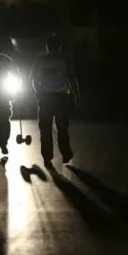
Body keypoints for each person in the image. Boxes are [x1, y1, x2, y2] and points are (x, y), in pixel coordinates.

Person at [30, 34, 81, 168]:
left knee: (45, 129)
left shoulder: (40, 61)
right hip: (61, 98)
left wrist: (38, 93)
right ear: (59, 47)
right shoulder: (65, 60)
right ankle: (66, 153)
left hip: (45, 99)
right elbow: (71, 79)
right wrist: (76, 95)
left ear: (47, 47)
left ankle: (47, 158)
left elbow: (33, 79)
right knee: (62, 128)